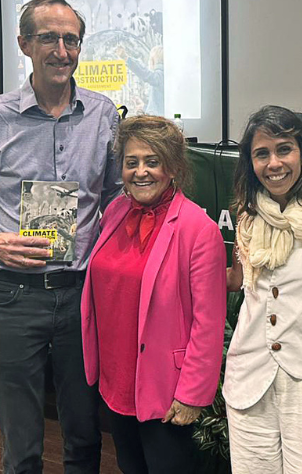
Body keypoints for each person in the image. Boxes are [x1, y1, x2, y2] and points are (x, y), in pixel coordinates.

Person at [0, 0, 120, 473]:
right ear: (24, 44)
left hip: (81, 296)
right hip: (14, 298)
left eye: (71, 40)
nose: (61, 51)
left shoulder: (103, 115)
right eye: (48, 38)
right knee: (21, 443)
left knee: (85, 434)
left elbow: (117, 198)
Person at [80, 115, 226, 474]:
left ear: (172, 168)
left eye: (152, 161)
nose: (140, 172)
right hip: (117, 380)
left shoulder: (199, 230)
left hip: (166, 388)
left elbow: (208, 324)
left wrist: (192, 394)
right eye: (131, 162)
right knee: (130, 466)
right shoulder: (114, 212)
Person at [223, 105, 302, 474]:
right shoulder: (246, 214)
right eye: (262, 154)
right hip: (250, 376)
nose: (274, 163)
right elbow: (237, 280)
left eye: (284, 150)